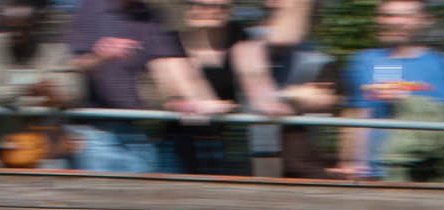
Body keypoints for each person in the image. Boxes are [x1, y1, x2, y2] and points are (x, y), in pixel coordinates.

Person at [63, 0, 231, 173]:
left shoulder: (151, 16)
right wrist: (99, 55)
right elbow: (72, 67)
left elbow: (171, 66)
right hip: (96, 132)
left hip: (138, 132)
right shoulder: (90, 8)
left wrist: (194, 100)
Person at [335, 0, 444, 182]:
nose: (395, 21)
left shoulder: (439, 64)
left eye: (405, 16)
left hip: (419, 172)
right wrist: (348, 162)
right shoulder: (363, 61)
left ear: (424, 20)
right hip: (368, 174)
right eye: (388, 15)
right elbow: (354, 114)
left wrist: (405, 98)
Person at [167, 0, 287, 175]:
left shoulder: (242, 39)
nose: (211, 11)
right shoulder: (171, 43)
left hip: (224, 140)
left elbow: (255, 77)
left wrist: (269, 103)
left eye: (220, 6)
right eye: (202, 5)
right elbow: (167, 87)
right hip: (176, 142)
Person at [0, 0, 83, 168]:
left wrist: (57, 95)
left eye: (23, 29)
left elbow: (73, 92)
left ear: (36, 28)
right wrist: (26, 90)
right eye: (10, 28)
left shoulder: (56, 53)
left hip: (40, 150)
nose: (16, 34)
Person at [250, 0, 340, 179]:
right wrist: (294, 94)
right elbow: (278, 40)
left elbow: (323, 99)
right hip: (252, 156)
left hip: (298, 163)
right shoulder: (248, 41)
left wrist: (281, 95)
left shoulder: (318, 56)